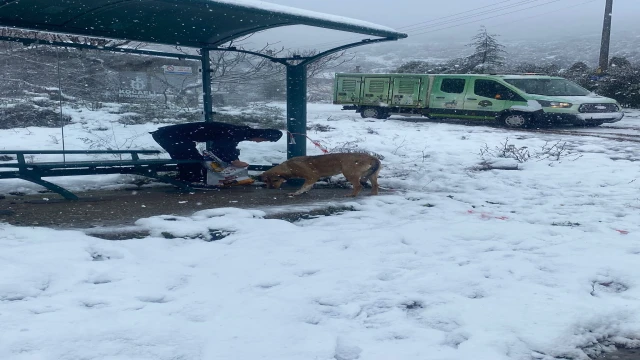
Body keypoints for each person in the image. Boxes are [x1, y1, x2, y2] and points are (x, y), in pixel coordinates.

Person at [150, 122, 283, 183]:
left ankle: (191, 179)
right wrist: (234, 161)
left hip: (173, 135)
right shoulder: (239, 132)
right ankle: (188, 181)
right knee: (191, 158)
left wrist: (232, 158)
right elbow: (223, 145)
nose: (259, 142)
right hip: (169, 135)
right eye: (263, 140)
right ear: (262, 135)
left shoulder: (241, 132)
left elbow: (227, 145)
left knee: (192, 158)